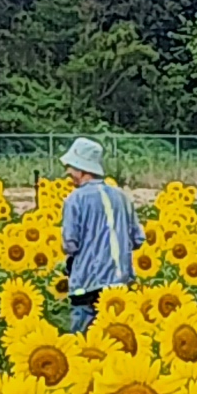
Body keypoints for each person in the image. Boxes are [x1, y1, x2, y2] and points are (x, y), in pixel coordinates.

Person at [59, 137, 139, 330]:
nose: (68, 173)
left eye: (71, 167)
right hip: (120, 287)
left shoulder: (75, 199)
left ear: (82, 169)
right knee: (116, 338)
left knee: (84, 341)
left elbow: (70, 244)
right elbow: (137, 239)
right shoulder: (122, 197)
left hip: (86, 285)